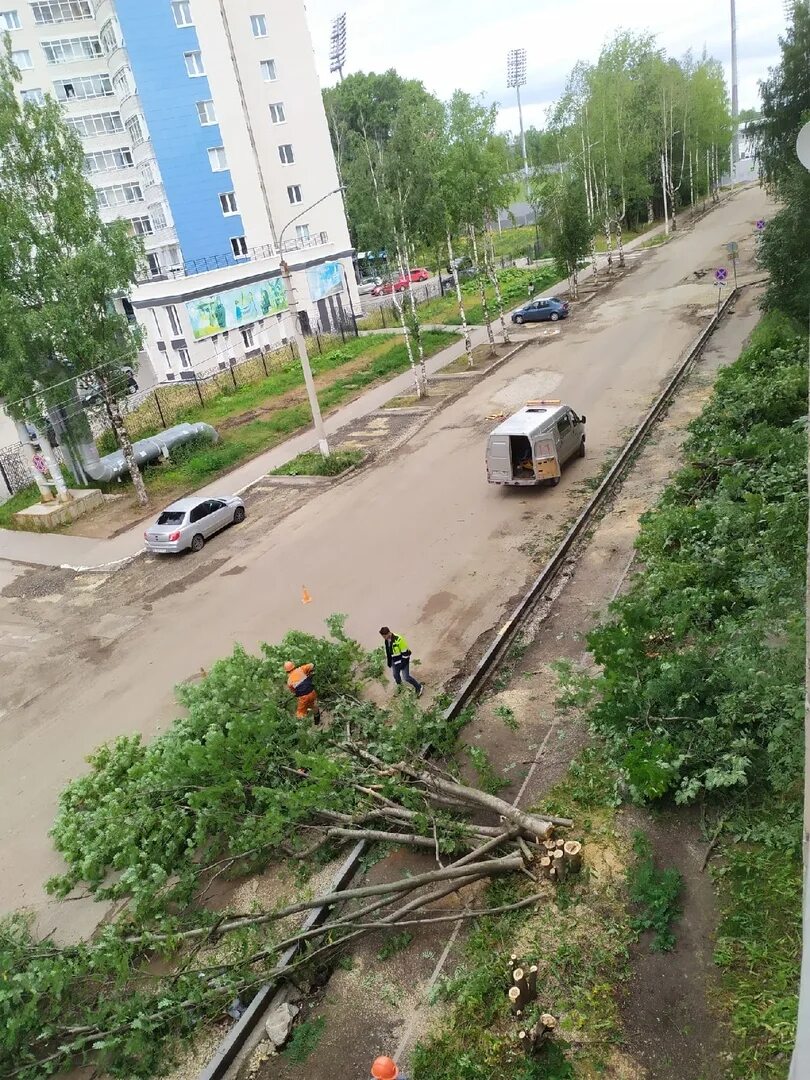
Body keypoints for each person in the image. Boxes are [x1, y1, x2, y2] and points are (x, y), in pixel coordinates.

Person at [379, 627, 423, 697]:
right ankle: (400, 687)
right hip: (395, 660)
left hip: (403, 660)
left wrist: (402, 665)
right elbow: (389, 651)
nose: (384, 638)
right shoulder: (387, 640)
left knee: (406, 677)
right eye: (383, 637)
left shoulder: (399, 639)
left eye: (384, 636)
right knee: (395, 675)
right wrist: (389, 661)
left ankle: (419, 687)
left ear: (388, 633)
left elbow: (406, 654)